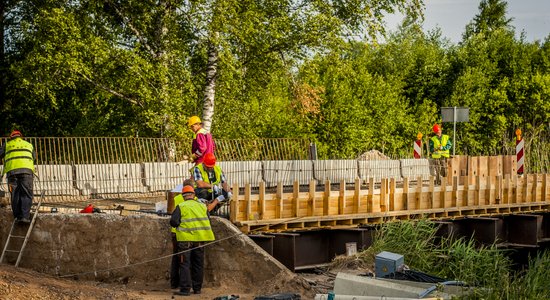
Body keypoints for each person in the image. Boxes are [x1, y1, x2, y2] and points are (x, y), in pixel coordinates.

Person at [169, 183, 223, 296]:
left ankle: (185, 289)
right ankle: (197, 289)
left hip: (185, 241)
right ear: (194, 195)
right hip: (200, 240)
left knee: (184, 264)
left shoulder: (181, 206)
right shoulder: (202, 206)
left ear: (183, 196)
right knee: (198, 264)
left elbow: (173, 222)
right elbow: (207, 218)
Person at [0, 130, 36, 224]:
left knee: (15, 194)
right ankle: (25, 217)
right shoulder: (28, 144)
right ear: (21, 137)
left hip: (12, 173)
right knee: (26, 193)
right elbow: (34, 157)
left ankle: (17, 217)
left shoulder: (7, 145)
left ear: (11, 137)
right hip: (27, 171)